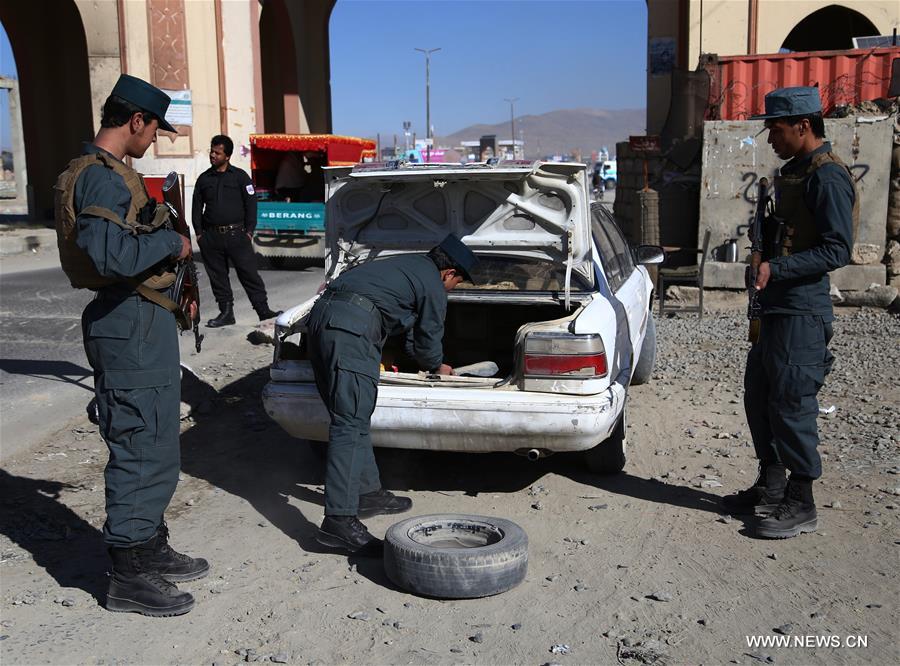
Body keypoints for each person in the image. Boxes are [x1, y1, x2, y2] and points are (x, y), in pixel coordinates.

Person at [54, 74, 208, 616]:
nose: (155, 139)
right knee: (141, 441)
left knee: (159, 438)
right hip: (128, 324)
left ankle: (148, 544)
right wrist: (173, 242)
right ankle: (128, 572)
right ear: (135, 120)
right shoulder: (102, 179)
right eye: (153, 129)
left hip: (142, 322)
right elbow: (108, 256)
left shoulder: (114, 175)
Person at [721, 87, 854, 539]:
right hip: (777, 305)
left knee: (793, 402)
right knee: (760, 395)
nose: (771, 139)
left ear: (803, 125)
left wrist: (777, 267)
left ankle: (802, 500)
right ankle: (772, 486)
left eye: (776, 130)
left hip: (801, 310)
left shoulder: (828, 177)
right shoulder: (794, 172)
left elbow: (838, 250)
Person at [308, 234, 478, 553]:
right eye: (458, 284)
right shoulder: (432, 284)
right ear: (450, 273)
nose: (453, 290)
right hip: (351, 331)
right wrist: (438, 367)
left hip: (322, 324)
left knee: (352, 417)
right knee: (348, 423)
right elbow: (427, 341)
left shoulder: (405, 264)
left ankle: (368, 493)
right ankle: (338, 523)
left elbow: (411, 335)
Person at [192, 135, 280, 327]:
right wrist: (199, 234)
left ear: (228, 156)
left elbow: (251, 205)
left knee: (249, 274)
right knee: (218, 277)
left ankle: (263, 311)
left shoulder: (240, 177)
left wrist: (249, 231)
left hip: (237, 235)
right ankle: (226, 313)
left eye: (217, 152)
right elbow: (197, 207)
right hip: (211, 237)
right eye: (211, 151)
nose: (213, 155)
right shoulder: (204, 179)